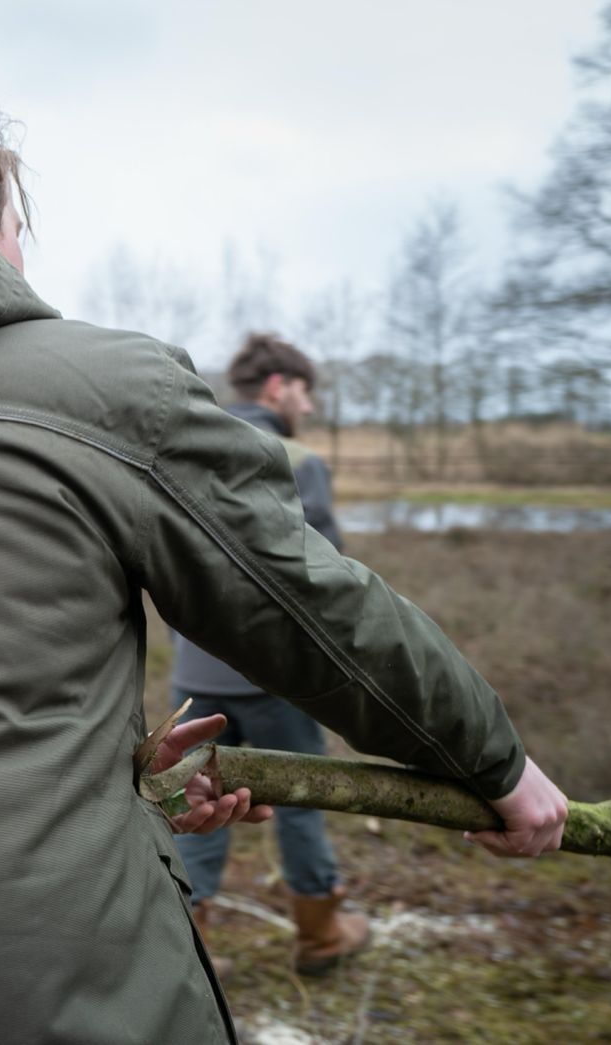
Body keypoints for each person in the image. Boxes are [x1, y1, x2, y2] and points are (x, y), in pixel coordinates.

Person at [0, 82, 568, 1045]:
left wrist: (112, 779)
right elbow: (306, 607)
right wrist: (492, 759)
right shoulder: (93, 383)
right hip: (33, 995)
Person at [169, 333, 366, 979]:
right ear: (279, 386)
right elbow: (326, 579)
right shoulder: (296, 457)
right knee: (302, 802)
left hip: (192, 675)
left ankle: (187, 945)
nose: (307, 408)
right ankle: (320, 934)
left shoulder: (187, 449)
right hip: (275, 679)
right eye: (306, 393)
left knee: (197, 804)